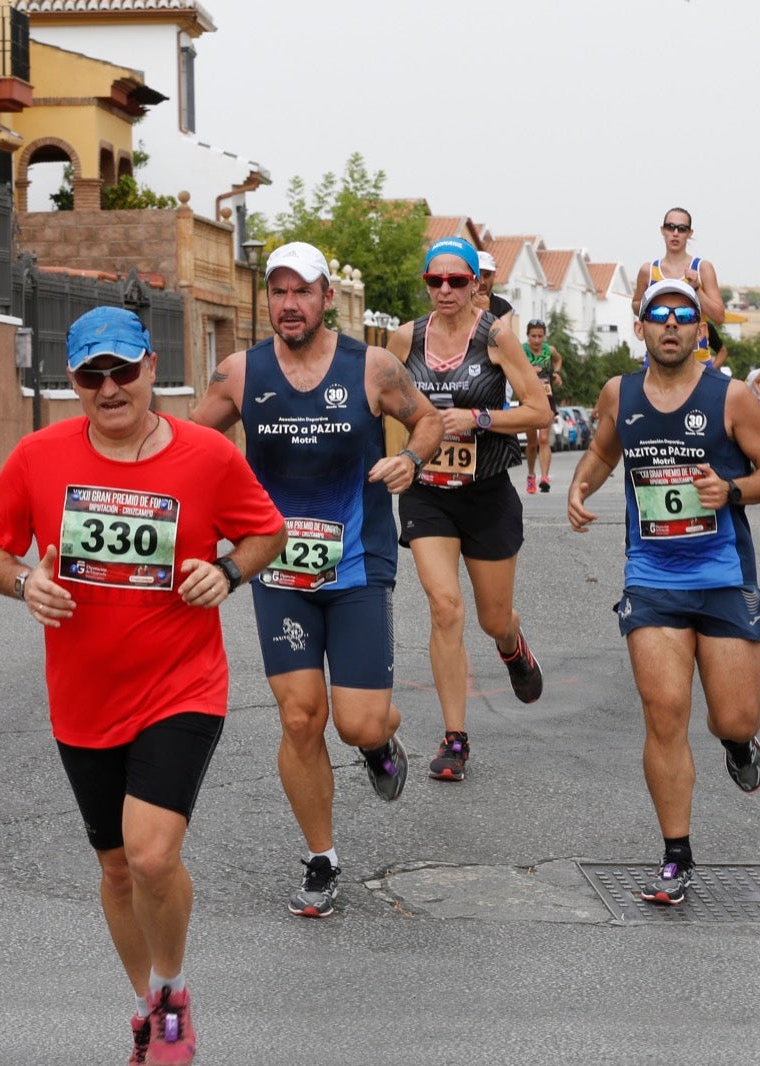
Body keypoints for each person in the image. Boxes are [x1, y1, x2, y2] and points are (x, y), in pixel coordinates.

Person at [0, 306, 287, 1065]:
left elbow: (265, 531)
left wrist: (230, 569)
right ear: (72, 382)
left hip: (182, 683)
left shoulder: (208, 457)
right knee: (115, 867)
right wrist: (22, 581)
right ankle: (143, 1002)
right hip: (82, 695)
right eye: (91, 375)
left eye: (123, 371)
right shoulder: (38, 456)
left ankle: (173, 996)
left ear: (151, 368)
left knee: (150, 855)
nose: (110, 389)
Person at [189, 242, 445, 919]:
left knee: (357, 723)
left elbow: (428, 419)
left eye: (301, 291)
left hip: (358, 561)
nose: (289, 304)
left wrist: (412, 461)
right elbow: (191, 448)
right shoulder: (241, 374)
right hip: (278, 564)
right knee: (301, 715)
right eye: (277, 292)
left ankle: (380, 742)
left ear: (327, 296)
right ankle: (321, 858)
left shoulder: (374, 367)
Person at [566, 279, 760, 906]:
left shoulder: (732, 397)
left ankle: (739, 743)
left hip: (722, 577)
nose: (670, 325)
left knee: (733, 715)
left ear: (699, 330)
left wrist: (733, 490)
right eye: (658, 315)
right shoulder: (621, 393)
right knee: (664, 712)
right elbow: (605, 450)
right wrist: (580, 486)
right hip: (653, 579)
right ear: (639, 326)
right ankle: (675, 855)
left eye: (683, 316)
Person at [387, 236, 553, 781]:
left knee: (492, 618)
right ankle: (454, 738)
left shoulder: (498, 337)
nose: (445, 290)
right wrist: (398, 460)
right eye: (435, 281)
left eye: (457, 280)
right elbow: (384, 404)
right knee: (444, 607)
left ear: (476, 283)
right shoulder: (403, 338)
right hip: (427, 492)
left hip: (485, 494)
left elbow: (539, 411)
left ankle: (513, 647)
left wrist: (478, 419)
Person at [631, 207, 728, 370]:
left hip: (697, 361)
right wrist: (652, 302)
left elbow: (719, 316)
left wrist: (697, 289)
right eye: (670, 227)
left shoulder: (702, 268)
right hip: (658, 361)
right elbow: (635, 306)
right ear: (662, 230)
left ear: (690, 233)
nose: (675, 233)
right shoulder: (648, 271)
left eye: (682, 229)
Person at [521, 318, 564, 494]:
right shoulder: (521, 350)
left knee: (544, 439)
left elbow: (558, 360)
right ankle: (531, 475)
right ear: (528, 336)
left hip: (547, 397)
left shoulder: (549, 350)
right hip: (529, 398)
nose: (537, 340)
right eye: (533, 336)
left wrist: (556, 373)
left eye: (540, 336)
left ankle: (544, 478)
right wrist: (529, 371)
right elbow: (513, 368)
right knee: (532, 442)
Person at [474, 249, 515, 328]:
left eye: (487, 275)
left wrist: (486, 312)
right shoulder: (459, 303)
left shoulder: (503, 307)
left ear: (494, 275)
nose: (482, 282)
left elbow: (505, 338)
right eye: (477, 276)